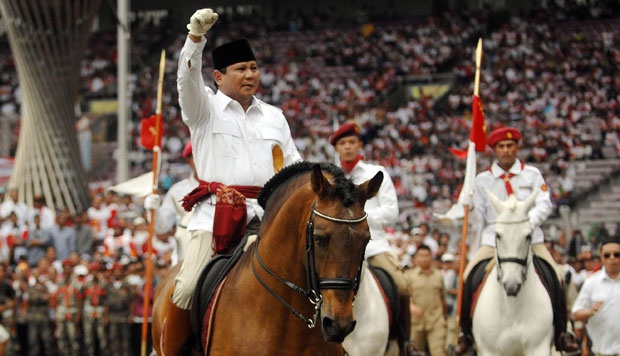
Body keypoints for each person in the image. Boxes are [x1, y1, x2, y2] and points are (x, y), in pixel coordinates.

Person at [144, 8, 301, 354]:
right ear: (217, 76)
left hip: (268, 219)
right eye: (241, 69)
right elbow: (186, 81)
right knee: (185, 288)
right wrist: (194, 40)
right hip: (215, 219)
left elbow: (293, 166)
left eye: (254, 68)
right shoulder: (203, 110)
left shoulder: (275, 117)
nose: (250, 74)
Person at [455, 127, 578, 353]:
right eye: (501, 147)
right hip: (494, 240)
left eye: (510, 146)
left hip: (529, 237)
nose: (506, 150)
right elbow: (478, 216)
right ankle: (466, 333)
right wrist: (468, 205)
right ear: (494, 150)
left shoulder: (532, 174)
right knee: (468, 276)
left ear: (517, 148)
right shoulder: (482, 180)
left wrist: (526, 224)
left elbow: (544, 203)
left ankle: (563, 331)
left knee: (556, 275)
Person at [330, 121, 412, 350]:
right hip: (337, 248)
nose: (347, 147)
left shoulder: (376, 173)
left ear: (360, 144)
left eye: (352, 142)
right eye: (342, 143)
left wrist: (357, 216)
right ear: (337, 148)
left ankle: (403, 340)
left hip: (374, 245)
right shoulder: (329, 175)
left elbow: (391, 213)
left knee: (401, 284)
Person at [571, 234, 620, 355]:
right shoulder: (591, 282)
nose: (612, 258)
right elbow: (575, 314)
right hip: (600, 352)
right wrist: (589, 312)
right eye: (607, 255)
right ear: (602, 258)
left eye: (617, 254)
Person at [151, 141, 198, 264]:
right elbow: (162, 228)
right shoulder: (178, 191)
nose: (202, 158)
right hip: (184, 256)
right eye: (196, 154)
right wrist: (153, 210)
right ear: (189, 160)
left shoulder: (224, 186)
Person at [405, 245, 447, 356]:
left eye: (427, 255)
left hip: (436, 321)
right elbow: (404, 298)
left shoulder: (439, 275)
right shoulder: (409, 276)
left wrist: (445, 319)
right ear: (416, 258)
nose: (425, 258)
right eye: (421, 256)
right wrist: (410, 305)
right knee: (415, 352)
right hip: (415, 323)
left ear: (431, 257)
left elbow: (443, 299)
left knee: (439, 352)